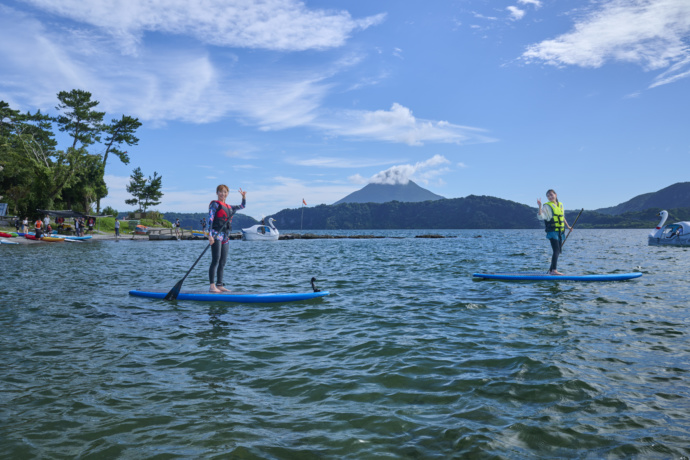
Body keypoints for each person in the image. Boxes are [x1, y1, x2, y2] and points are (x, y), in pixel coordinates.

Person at [208, 185, 246, 293]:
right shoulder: (215, 204)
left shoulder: (230, 207)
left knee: (223, 261)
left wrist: (243, 197)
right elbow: (210, 219)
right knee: (216, 259)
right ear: (217, 193)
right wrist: (210, 235)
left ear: (227, 194)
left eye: (225, 192)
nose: (222, 194)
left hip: (225, 236)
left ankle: (219, 285)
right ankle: (212, 286)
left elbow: (243, 206)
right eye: (220, 192)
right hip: (216, 234)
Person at [537, 189, 572, 275]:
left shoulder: (560, 205)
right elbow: (541, 217)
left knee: (558, 250)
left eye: (551, 195)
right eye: (548, 196)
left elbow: (562, 217)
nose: (550, 197)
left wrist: (568, 227)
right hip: (552, 232)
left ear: (555, 195)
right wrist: (540, 206)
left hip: (560, 232)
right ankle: (554, 270)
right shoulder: (546, 206)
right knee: (556, 250)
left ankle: (551, 270)